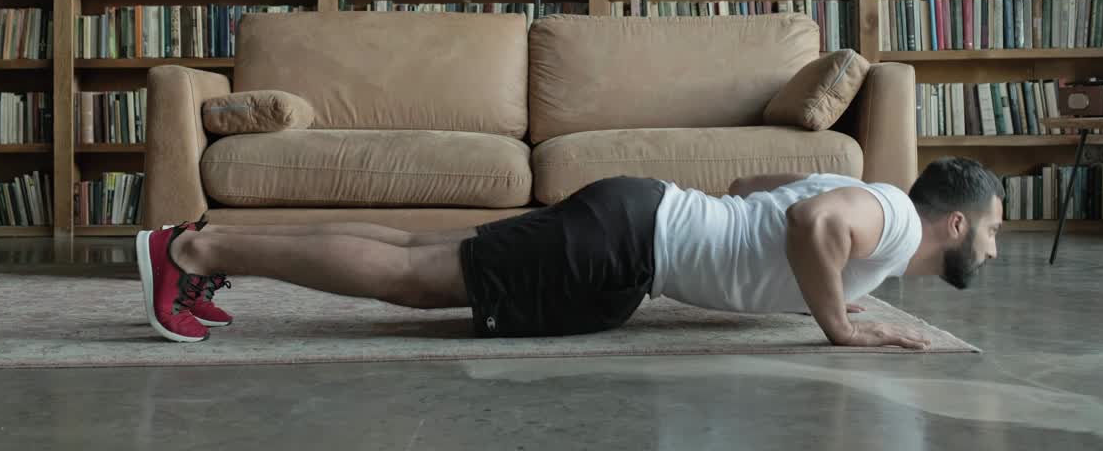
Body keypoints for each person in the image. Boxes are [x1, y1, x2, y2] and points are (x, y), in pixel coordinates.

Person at [137, 156, 1004, 348]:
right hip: (626, 241)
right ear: (956, 223)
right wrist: (837, 326)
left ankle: (204, 248)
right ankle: (193, 249)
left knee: (409, 247)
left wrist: (832, 292)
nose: (997, 249)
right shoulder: (892, 214)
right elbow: (811, 221)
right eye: (996, 229)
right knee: (410, 279)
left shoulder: (881, 229)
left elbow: (757, 193)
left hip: (634, 220)